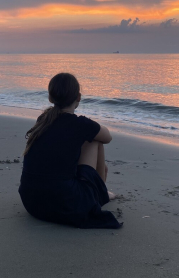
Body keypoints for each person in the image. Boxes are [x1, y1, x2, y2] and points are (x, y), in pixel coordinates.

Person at [18, 73, 122, 229]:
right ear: (78, 97)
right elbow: (107, 137)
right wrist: (91, 127)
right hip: (64, 206)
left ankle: (99, 189)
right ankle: (101, 194)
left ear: (50, 98)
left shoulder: (43, 120)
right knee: (95, 140)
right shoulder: (80, 124)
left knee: (85, 139)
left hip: (33, 203)